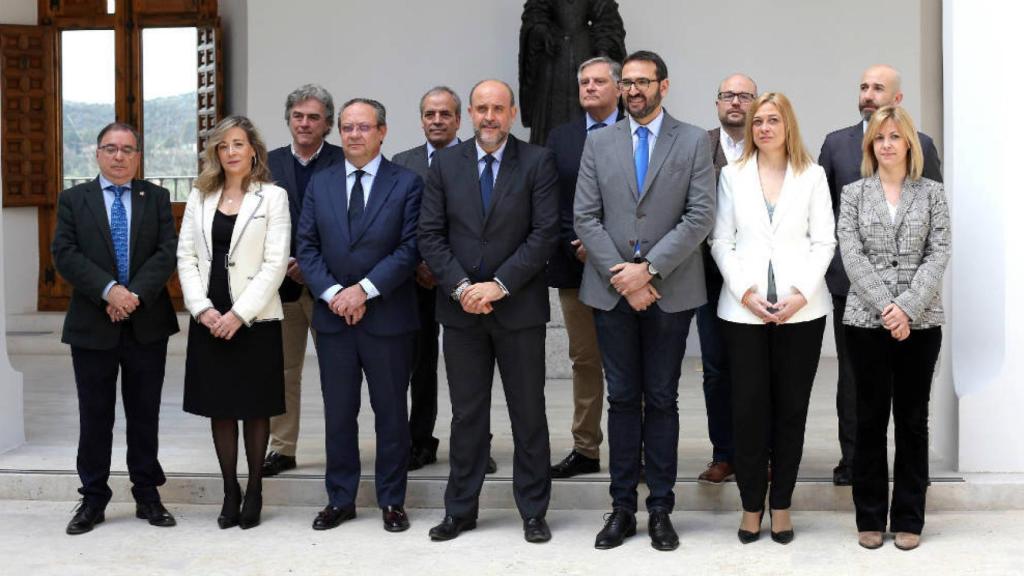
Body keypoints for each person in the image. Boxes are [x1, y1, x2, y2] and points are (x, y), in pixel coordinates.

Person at [574, 50, 715, 551]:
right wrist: (624, 278)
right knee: (620, 398)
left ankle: (660, 508)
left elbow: (700, 216)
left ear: (664, 86)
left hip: (669, 291)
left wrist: (648, 270)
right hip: (612, 294)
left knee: (661, 398)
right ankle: (620, 508)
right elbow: (585, 218)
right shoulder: (599, 143)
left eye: (642, 82)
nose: (633, 90)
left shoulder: (694, 140)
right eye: (626, 82)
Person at [418, 79, 559, 543]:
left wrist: (498, 286)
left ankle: (533, 511)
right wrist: (462, 287)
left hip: (518, 309)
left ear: (513, 113)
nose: (489, 116)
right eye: (481, 108)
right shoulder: (445, 165)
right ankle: (460, 509)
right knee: (467, 415)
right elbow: (431, 235)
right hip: (461, 314)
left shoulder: (537, 162)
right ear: (470, 114)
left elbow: (543, 235)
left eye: (498, 108)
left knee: (528, 413)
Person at [710, 92, 835, 544]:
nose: (763, 127)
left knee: (790, 412)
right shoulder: (732, 175)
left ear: (788, 126)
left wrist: (800, 295)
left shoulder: (813, 175)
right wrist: (745, 293)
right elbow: (721, 242)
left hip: (801, 314)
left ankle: (780, 505)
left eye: (772, 120)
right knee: (747, 412)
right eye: (758, 121)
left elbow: (825, 242)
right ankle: (749, 507)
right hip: (743, 312)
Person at [298, 98, 423, 533]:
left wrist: (364, 291)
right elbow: (307, 247)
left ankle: (392, 500)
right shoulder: (322, 182)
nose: (353, 135)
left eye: (363, 127)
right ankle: (341, 499)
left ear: (383, 132)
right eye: (347, 128)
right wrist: (335, 294)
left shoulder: (406, 183)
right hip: (334, 319)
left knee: (391, 414)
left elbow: (409, 249)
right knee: (339, 413)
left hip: (387, 318)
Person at [52, 122, 180, 535]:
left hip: (147, 322)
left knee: (144, 414)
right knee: (95, 416)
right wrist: (109, 292)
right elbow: (65, 254)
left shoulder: (156, 197)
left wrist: (132, 296)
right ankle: (93, 497)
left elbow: (166, 253)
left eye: (127, 149)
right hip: (93, 323)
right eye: (111, 148)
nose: (119, 156)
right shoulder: (74, 199)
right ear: (97, 154)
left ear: (138, 156)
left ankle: (147, 493)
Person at [819, 64, 943, 486]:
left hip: (914, 299)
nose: (869, 94)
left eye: (878, 88)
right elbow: (825, 217)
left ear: (898, 99)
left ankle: (911, 474)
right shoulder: (836, 144)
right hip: (850, 288)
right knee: (854, 382)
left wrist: (908, 302)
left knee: (911, 398)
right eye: (864, 87)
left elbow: (934, 229)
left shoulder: (922, 144)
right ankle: (853, 462)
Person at [837, 105, 950, 552]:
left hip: (920, 325)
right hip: (866, 323)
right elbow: (852, 254)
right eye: (878, 138)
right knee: (869, 421)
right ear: (871, 146)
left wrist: (906, 308)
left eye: (894, 136)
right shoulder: (853, 194)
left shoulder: (932, 194)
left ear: (909, 143)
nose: (886, 144)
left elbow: (938, 254)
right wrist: (887, 307)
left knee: (912, 421)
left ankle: (908, 517)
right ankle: (868, 517)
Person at [178, 115, 290, 530]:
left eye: (238, 144)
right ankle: (230, 490)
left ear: (253, 149)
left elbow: (275, 263)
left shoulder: (273, 197)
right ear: (215, 152)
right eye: (223, 146)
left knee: (255, 407)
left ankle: (256, 488)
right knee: (220, 409)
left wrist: (239, 314)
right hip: (209, 314)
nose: (231, 152)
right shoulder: (199, 195)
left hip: (255, 317)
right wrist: (202, 308)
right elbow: (186, 257)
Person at [393, 86, 498, 474]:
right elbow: (399, 223)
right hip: (416, 282)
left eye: (445, 115)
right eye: (429, 114)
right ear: (421, 119)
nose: (437, 121)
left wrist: (447, 271)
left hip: (465, 283)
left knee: (472, 370)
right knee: (419, 366)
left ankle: (475, 446)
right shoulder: (403, 163)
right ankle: (420, 441)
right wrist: (421, 266)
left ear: (459, 119)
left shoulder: (478, 157)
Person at [545, 56, 623, 479]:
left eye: (598, 81)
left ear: (618, 87)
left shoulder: (636, 133)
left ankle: (637, 449)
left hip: (629, 271)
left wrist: (607, 250)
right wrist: (577, 244)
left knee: (630, 365)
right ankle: (585, 449)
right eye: (584, 82)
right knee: (585, 360)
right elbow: (552, 199)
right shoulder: (562, 137)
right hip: (575, 267)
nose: (589, 87)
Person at [262, 84, 344, 477]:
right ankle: (282, 447)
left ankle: (340, 446)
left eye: (313, 117)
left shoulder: (344, 162)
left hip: (329, 288)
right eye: (298, 116)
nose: (305, 123)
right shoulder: (266, 163)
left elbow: (352, 227)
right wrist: (281, 262)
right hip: (281, 287)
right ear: (289, 120)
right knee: (281, 371)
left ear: (328, 123)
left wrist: (313, 264)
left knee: (337, 372)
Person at [696, 73, 758, 485]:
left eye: (744, 96)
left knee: (757, 369)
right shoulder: (696, 146)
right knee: (717, 368)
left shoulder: (770, 144)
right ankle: (724, 454)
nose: (736, 102)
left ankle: (759, 453)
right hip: (707, 274)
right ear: (717, 102)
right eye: (728, 95)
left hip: (758, 275)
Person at [518, 0, 626, 144]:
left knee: (590, 97)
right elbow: (535, 14)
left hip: (586, 53)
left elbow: (607, 19)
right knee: (549, 119)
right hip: (552, 62)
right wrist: (540, 30)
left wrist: (603, 51)